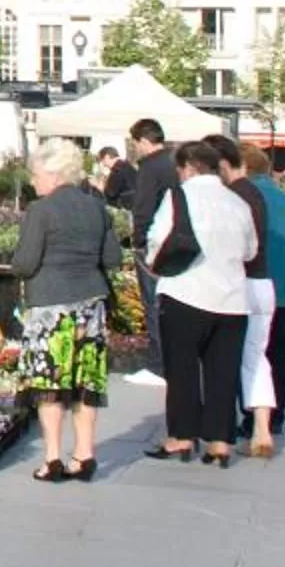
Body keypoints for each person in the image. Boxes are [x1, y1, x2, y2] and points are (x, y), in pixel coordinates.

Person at [142, 138, 261, 467]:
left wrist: (154, 263)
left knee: (182, 370)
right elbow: (251, 250)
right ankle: (220, 442)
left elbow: (158, 238)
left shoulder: (179, 197)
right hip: (233, 299)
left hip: (186, 293)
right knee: (222, 371)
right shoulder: (237, 202)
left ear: (188, 167)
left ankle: (182, 437)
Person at [9, 138, 118, 483]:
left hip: (50, 308)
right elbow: (113, 259)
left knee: (49, 383)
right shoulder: (97, 208)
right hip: (90, 306)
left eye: (36, 173)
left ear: (54, 175)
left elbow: (25, 263)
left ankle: (53, 458)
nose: (33, 181)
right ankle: (84, 455)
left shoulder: (40, 211)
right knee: (86, 383)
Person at [227, 142, 285, 456]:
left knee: (251, 355)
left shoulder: (243, 197)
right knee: (279, 355)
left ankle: (252, 416)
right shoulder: (282, 198)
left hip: (254, 284)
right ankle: (278, 414)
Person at [107, 119, 179, 388]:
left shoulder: (150, 167)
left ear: (144, 141)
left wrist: (137, 241)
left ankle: (158, 366)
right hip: (176, 243)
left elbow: (143, 208)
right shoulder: (174, 161)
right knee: (170, 304)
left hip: (153, 244)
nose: (134, 150)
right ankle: (173, 361)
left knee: (153, 304)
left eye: (135, 144)